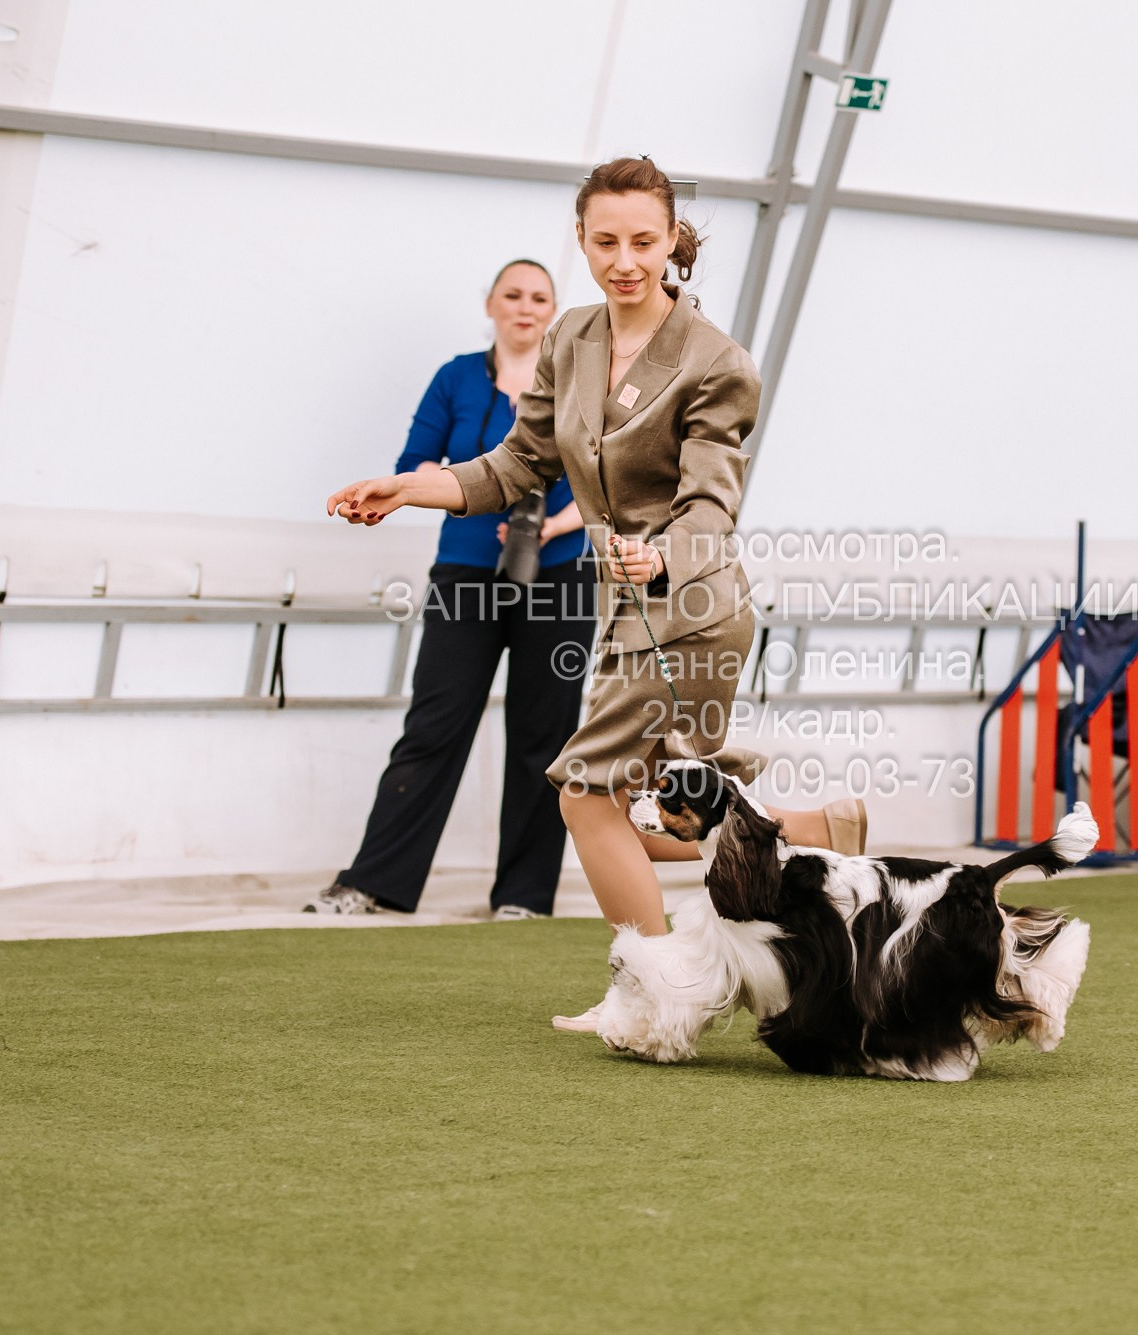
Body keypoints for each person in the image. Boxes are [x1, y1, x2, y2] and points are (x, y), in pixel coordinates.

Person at [325, 156, 867, 1022]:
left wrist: (658, 555)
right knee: (654, 807)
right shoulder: (571, 338)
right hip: (627, 612)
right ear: (580, 239)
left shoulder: (717, 362)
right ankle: (816, 832)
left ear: (670, 242)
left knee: (584, 791)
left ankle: (662, 994)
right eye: (605, 240)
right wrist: (409, 489)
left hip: (690, 607)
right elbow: (517, 464)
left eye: (643, 241)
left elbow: (709, 502)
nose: (624, 259)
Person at [306, 260, 596, 920]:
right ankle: (371, 882)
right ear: (491, 303)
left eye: (539, 297)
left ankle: (523, 897)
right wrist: (452, 483)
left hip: (562, 573)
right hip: (466, 572)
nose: (525, 307)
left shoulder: (581, 377)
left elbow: (607, 482)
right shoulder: (457, 377)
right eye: (512, 295)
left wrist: (550, 525)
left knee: (544, 736)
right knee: (434, 723)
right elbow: (415, 466)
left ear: (554, 308)